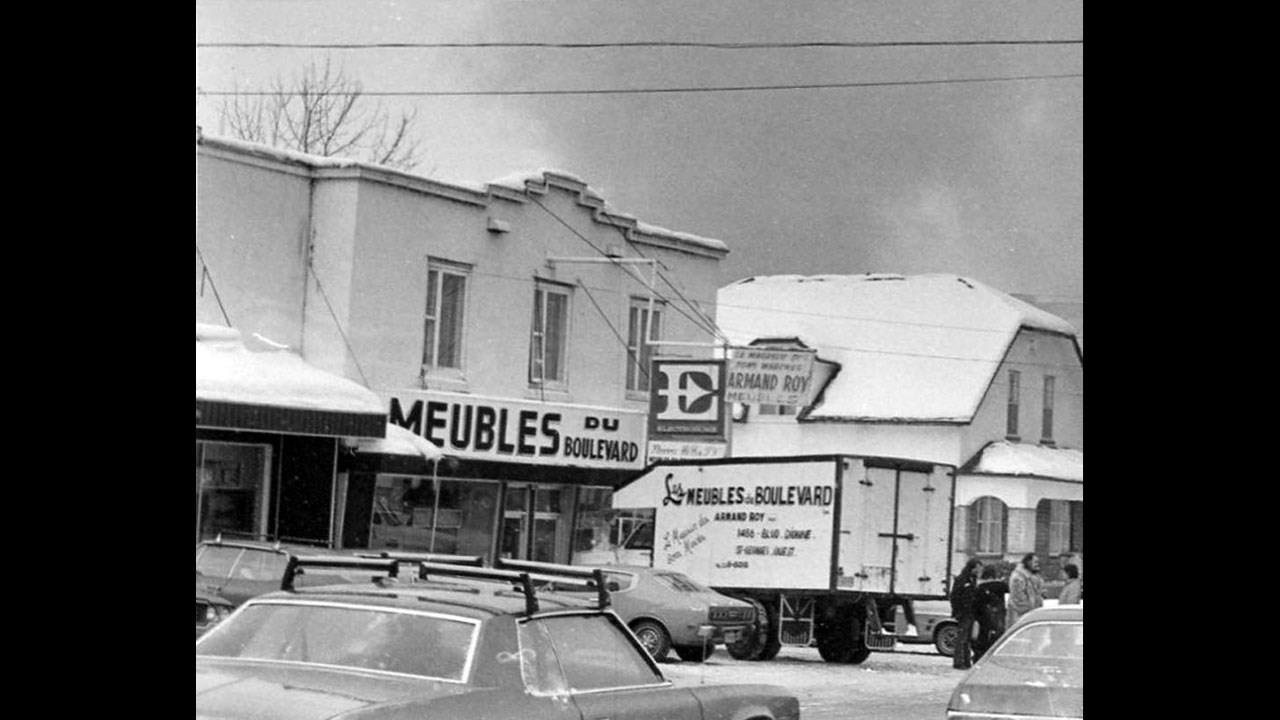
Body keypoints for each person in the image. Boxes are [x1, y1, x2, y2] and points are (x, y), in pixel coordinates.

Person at [949, 558, 983, 669]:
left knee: (967, 638)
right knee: (962, 637)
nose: (978, 571)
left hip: (970, 612)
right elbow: (955, 596)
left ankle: (966, 661)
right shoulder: (962, 580)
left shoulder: (972, 579)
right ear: (972, 568)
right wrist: (958, 611)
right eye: (977, 568)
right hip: (964, 613)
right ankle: (959, 661)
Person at [971, 565, 1009, 661]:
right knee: (998, 635)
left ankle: (980, 656)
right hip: (999, 615)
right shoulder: (1002, 586)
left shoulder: (980, 587)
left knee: (983, 637)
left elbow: (976, 604)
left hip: (984, 616)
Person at [1006, 553, 1045, 627]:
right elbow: (1018, 599)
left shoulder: (1033, 577)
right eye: (1035, 562)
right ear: (1028, 562)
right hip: (1020, 619)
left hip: (1030, 618)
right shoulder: (1018, 577)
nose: (1038, 565)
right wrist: (1031, 612)